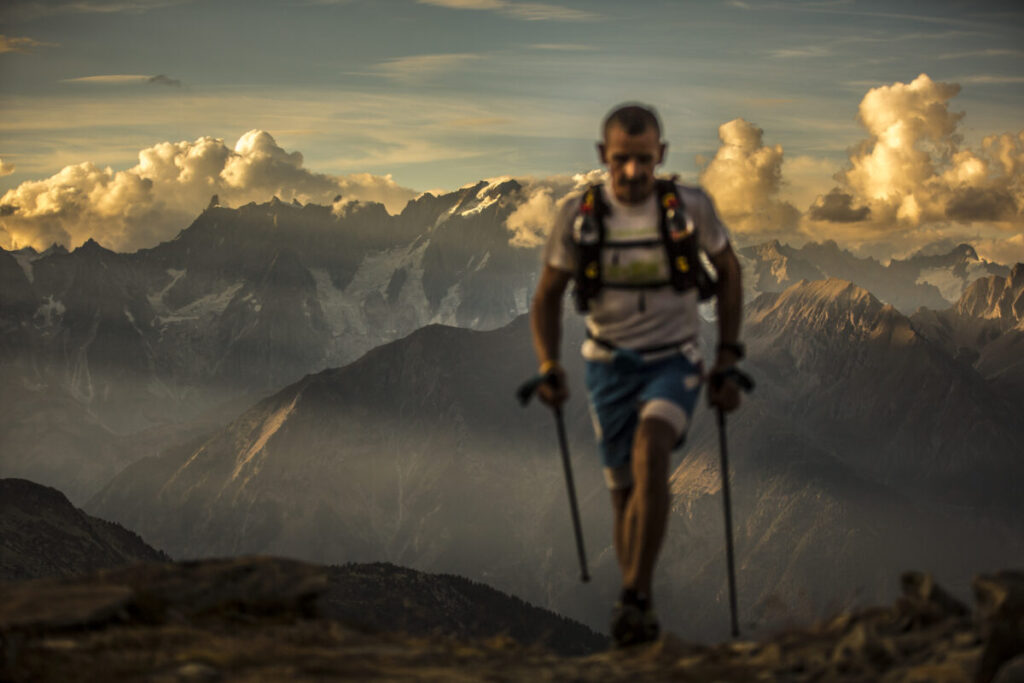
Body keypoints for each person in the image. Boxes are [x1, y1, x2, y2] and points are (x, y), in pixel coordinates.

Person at [529, 103, 745, 647]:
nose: (632, 172)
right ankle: (635, 607)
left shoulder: (690, 208)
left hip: (675, 361)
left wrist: (726, 358)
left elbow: (731, 271)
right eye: (622, 160)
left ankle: (635, 597)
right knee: (623, 493)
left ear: (661, 156)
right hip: (607, 368)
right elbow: (548, 296)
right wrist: (549, 365)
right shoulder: (579, 215)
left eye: (643, 161)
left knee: (652, 451)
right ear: (604, 156)